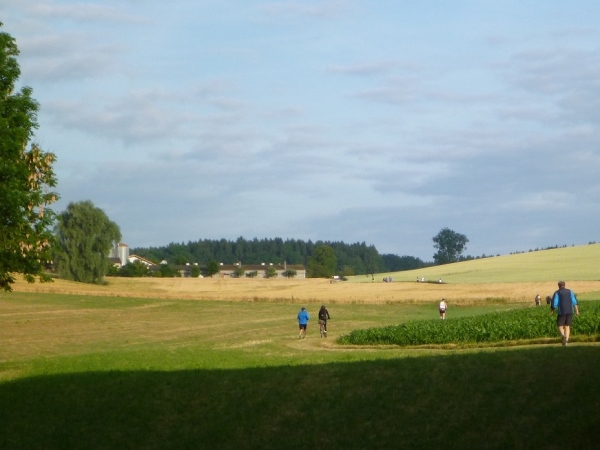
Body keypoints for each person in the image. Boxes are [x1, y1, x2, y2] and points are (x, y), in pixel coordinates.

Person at [551, 281, 580, 346]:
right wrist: (577, 311)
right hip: (570, 311)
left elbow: (555, 302)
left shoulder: (557, 292)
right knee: (567, 326)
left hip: (562, 311)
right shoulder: (570, 291)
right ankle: (566, 342)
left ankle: (563, 336)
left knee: (560, 325)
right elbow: (574, 302)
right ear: (565, 285)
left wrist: (552, 309)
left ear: (558, 286)